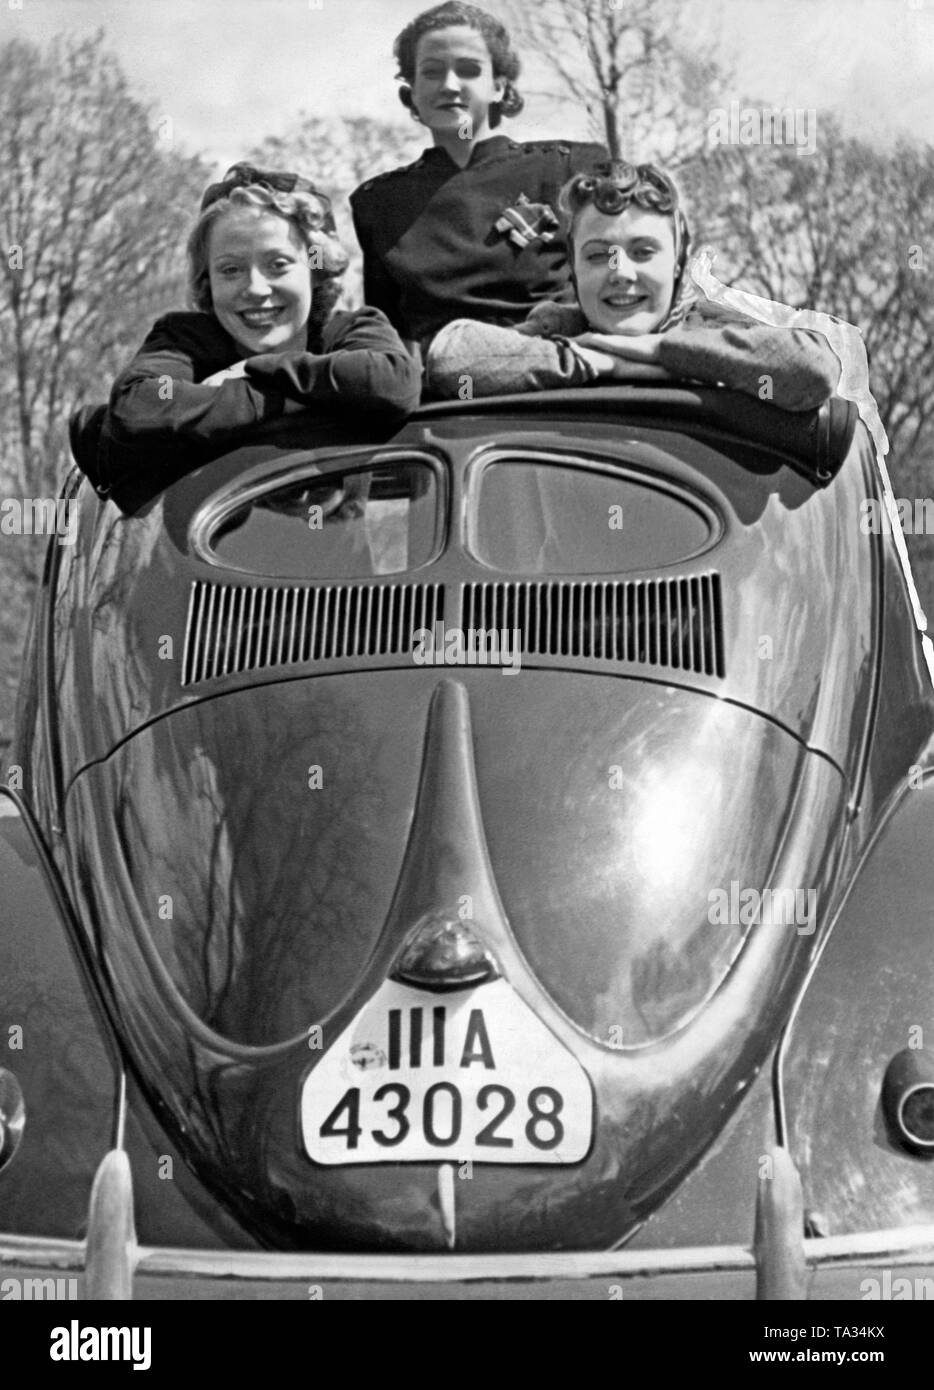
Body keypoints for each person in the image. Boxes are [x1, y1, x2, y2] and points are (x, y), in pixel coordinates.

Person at [93, 163, 420, 497]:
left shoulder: (350, 330)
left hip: (330, 544)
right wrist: (294, 397)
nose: (255, 288)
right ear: (208, 280)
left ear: (316, 269)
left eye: (277, 264)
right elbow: (137, 407)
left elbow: (391, 384)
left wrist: (253, 370)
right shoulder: (184, 340)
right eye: (230, 270)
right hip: (200, 548)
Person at [425, 161, 842, 412]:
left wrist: (662, 351)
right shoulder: (560, 329)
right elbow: (450, 360)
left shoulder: (712, 327)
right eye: (596, 255)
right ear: (572, 269)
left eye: (643, 252)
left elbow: (813, 371)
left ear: (679, 265)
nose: (620, 272)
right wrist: (598, 361)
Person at [350, 2, 607, 353]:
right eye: (432, 72)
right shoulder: (378, 203)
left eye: (469, 70)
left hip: (562, 382)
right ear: (411, 92)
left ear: (499, 87)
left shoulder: (569, 167)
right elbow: (388, 339)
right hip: (442, 396)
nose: (450, 85)